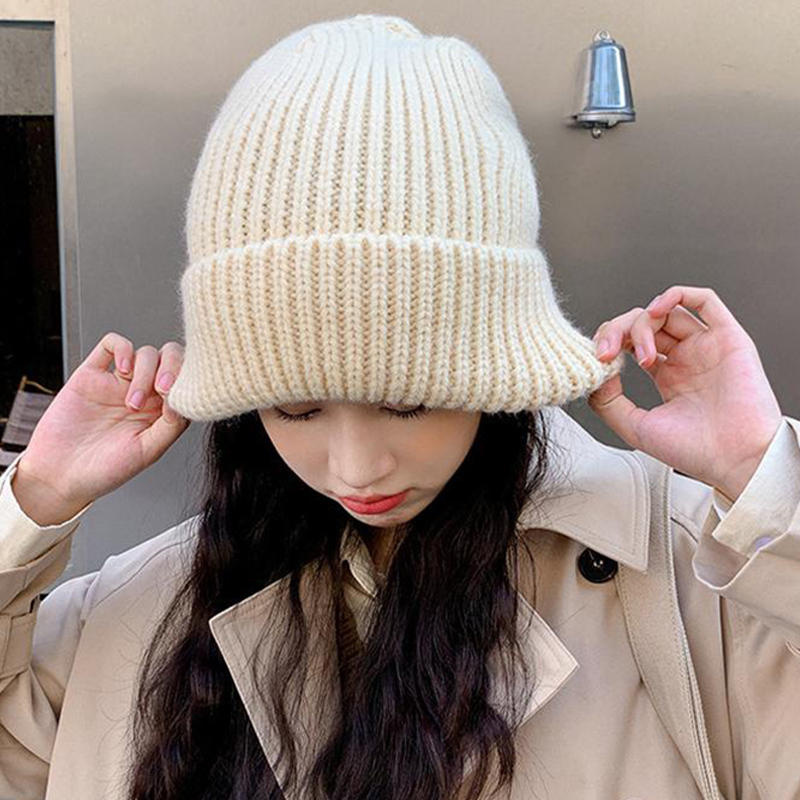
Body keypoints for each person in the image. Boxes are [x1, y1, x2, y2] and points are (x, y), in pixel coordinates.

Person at [1, 12, 798, 800]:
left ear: (491, 369)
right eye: (295, 408)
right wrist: (37, 497)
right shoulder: (145, 607)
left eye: (409, 402)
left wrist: (761, 480)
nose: (356, 468)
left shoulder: (690, 577)